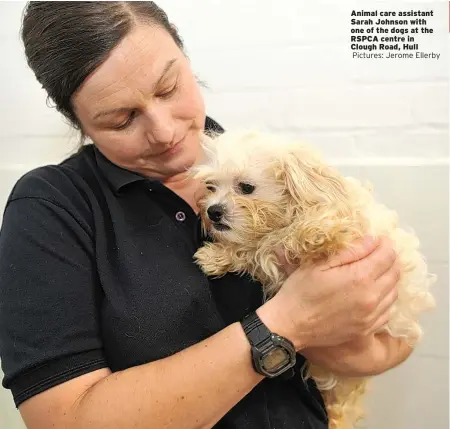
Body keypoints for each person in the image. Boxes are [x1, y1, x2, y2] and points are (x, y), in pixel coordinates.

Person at [0, 2, 411, 429]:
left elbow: (391, 345)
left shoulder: (264, 164)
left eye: (168, 88)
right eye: (122, 120)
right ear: (79, 122)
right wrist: (286, 322)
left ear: (186, 57)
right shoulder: (51, 209)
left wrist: (348, 333)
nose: (164, 132)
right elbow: (62, 420)